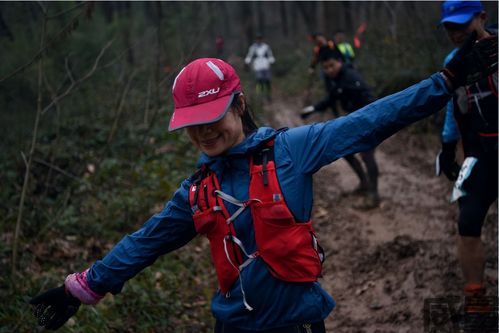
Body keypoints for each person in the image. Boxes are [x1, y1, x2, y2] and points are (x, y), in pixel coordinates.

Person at [29, 33, 497, 332]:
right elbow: (144, 243)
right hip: (232, 327)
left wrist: (443, 82)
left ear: (239, 103)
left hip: (300, 324)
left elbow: (368, 121)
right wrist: (80, 288)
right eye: (193, 124)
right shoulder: (196, 192)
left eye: (212, 117)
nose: (204, 132)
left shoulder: (293, 149)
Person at [436, 0, 498, 314]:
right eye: (450, 27)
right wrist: (447, 147)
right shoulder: (454, 61)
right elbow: (453, 104)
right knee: (467, 221)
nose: (456, 33)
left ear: (482, 17)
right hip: (480, 155)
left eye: (462, 25)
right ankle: (477, 301)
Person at [301, 48, 380, 208]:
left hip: (367, 119)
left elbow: (370, 98)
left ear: (340, 62)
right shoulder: (333, 79)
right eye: (325, 67)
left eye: (332, 65)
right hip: (353, 120)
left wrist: (370, 122)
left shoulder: (351, 77)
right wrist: (312, 109)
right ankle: (364, 184)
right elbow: (331, 99)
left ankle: (373, 195)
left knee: (367, 155)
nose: (329, 70)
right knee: (345, 150)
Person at [244, 34, 275, 101]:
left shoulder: (266, 47)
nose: (259, 40)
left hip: (266, 65)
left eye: (260, 39)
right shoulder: (253, 48)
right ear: (256, 40)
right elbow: (249, 56)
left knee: (267, 81)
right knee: (259, 81)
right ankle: (259, 95)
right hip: (257, 66)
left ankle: (268, 95)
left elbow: (270, 55)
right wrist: (247, 61)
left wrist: (271, 60)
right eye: (258, 39)